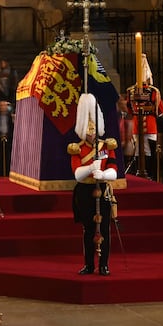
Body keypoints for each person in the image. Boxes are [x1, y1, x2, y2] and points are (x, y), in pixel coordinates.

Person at [69, 93, 119, 277]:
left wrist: (104, 173)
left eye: (93, 129)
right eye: (88, 130)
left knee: (104, 228)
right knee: (88, 230)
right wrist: (91, 167)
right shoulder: (77, 148)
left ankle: (104, 264)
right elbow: (77, 174)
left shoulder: (106, 147)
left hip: (103, 189)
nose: (91, 133)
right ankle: (89, 264)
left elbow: (114, 170)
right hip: (85, 190)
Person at [125, 54, 163, 178]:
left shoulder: (131, 91)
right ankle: (150, 175)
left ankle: (140, 174)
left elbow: (129, 109)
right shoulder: (154, 91)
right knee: (148, 153)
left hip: (138, 124)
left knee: (139, 152)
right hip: (150, 125)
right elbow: (159, 110)